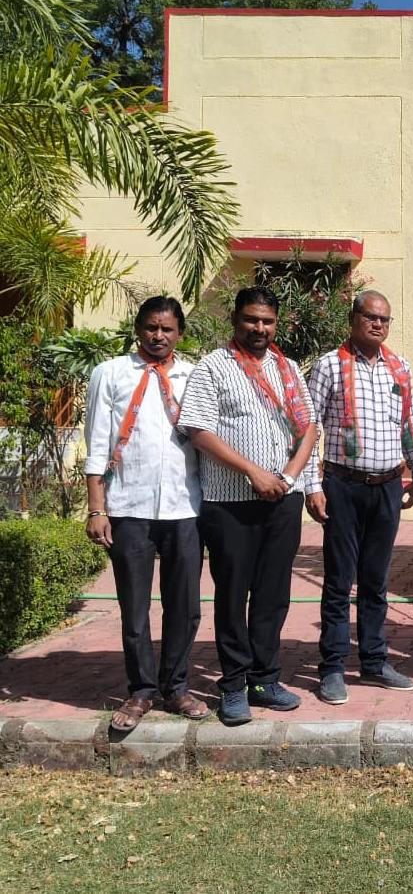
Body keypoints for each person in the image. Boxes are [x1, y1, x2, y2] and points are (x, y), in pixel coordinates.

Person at [178, 286, 318, 725]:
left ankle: (264, 679)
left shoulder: (288, 368)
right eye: (251, 320)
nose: (259, 328)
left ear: (277, 324)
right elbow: (197, 429)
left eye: (267, 321)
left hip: (283, 500)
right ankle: (234, 685)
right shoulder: (213, 367)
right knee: (233, 595)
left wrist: (290, 477)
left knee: (273, 596)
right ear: (235, 320)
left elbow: (309, 428)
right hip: (230, 503)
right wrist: (253, 472)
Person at [84, 296, 207, 732]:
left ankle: (176, 687)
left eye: (167, 329)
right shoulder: (110, 373)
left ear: (179, 333)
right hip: (128, 506)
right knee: (134, 605)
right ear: (138, 329)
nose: (159, 336)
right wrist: (97, 507)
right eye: (151, 327)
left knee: (185, 605)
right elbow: (97, 441)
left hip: (185, 506)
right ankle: (140, 690)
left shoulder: (194, 376)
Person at [304, 290, 413, 705]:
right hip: (344, 486)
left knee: (376, 581)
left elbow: (410, 422)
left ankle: (374, 661)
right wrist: (312, 485)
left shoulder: (399, 367)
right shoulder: (329, 366)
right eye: (371, 317)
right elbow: (310, 428)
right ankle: (333, 668)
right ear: (353, 319)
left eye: (384, 319)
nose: (378, 324)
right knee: (340, 581)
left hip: (387, 487)